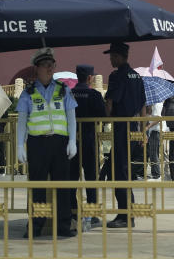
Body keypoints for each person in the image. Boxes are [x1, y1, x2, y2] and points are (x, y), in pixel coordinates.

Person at [16, 47, 78, 238]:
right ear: (37, 69)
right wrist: (20, 144)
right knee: (38, 187)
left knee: (62, 186)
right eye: (45, 65)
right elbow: (22, 120)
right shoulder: (28, 93)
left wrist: (73, 140)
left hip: (60, 143)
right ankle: (35, 225)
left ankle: (63, 225)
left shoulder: (63, 89)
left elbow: (71, 116)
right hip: (37, 144)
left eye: (52, 65)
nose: (50, 68)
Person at [104, 41, 145, 229]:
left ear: (119, 56)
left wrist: (105, 120)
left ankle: (125, 215)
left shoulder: (117, 76)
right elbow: (144, 106)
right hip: (135, 128)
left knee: (119, 172)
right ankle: (128, 213)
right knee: (123, 171)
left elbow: (110, 103)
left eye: (112, 56)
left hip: (121, 128)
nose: (111, 59)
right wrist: (143, 131)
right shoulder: (137, 76)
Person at [69, 64, 105, 230]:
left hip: (71, 141)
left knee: (71, 179)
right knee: (91, 178)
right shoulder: (95, 95)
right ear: (90, 78)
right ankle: (92, 213)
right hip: (89, 140)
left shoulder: (69, 94)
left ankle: (73, 212)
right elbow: (102, 116)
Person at [144, 100, 165, 180]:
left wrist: (148, 126)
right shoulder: (153, 104)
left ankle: (157, 175)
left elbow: (158, 118)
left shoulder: (157, 105)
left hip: (155, 130)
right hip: (153, 131)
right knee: (153, 152)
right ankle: (156, 174)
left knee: (153, 153)